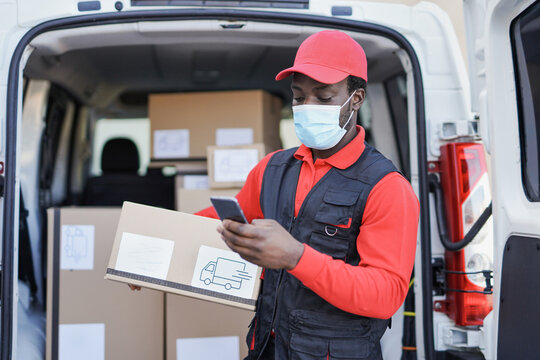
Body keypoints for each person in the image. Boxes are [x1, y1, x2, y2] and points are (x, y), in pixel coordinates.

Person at [196, 30, 419, 359]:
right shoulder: (272, 168)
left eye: (324, 97)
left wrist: (297, 258)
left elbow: (385, 294)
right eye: (299, 97)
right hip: (267, 349)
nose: (307, 106)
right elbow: (221, 222)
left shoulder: (386, 186)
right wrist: (151, 253)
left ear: (355, 99)